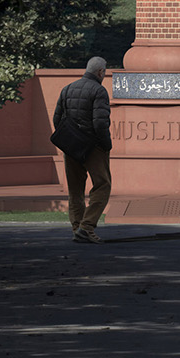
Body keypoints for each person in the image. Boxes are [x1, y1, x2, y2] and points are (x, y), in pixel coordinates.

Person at [53, 56, 114, 242]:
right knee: (103, 185)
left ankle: (77, 228)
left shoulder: (67, 89)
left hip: (71, 147)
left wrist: (69, 140)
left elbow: (57, 119)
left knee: (75, 190)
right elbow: (100, 124)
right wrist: (106, 145)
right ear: (101, 72)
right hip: (93, 146)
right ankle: (87, 227)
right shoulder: (99, 91)